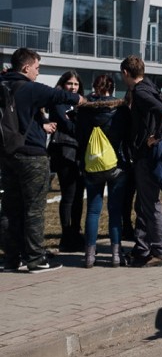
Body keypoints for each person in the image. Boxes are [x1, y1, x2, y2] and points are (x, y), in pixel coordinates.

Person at [1, 48, 85, 273]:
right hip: (31, 156)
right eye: (37, 68)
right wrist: (78, 98)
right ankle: (36, 259)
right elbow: (58, 95)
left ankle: (11, 258)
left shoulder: (4, 84)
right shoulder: (28, 88)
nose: (38, 72)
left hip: (7, 154)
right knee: (34, 209)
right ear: (26, 67)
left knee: (10, 208)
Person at [74, 74, 131, 268]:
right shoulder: (120, 110)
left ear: (94, 87)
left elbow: (79, 137)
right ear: (112, 88)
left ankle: (89, 255)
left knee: (93, 210)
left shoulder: (84, 110)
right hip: (116, 165)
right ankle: (116, 255)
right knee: (115, 211)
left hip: (92, 165)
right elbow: (126, 136)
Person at [121, 55, 162, 268]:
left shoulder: (140, 92)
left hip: (146, 154)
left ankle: (159, 251)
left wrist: (155, 136)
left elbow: (161, 109)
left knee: (150, 203)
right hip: (146, 154)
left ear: (125, 73)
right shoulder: (150, 86)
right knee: (143, 203)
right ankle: (142, 248)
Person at [48, 70, 86, 252]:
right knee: (69, 195)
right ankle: (67, 235)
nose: (73, 87)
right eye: (70, 83)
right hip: (64, 151)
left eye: (76, 84)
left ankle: (76, 232)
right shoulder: (58, 101)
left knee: (79, 195)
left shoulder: (81, 102)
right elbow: (70, 126)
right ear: (63, 85)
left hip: (79, 152)